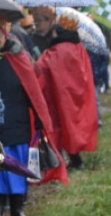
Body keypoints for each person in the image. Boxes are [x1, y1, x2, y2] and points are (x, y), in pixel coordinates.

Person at [0, 13, 66, 216]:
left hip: (18, 120)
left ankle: (17, 207)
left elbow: (33, 85)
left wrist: (39, 117)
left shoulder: (17, 58)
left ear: (6, 36)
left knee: (17, 165)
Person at [33, 11, 99, 171]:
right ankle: (76, 160)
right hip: (76, 95)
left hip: (59, 96)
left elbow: (41, 68)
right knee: (73, 127)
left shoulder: (56, 51)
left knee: (59, 127)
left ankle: (64, 161)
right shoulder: (79, 48)